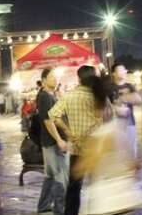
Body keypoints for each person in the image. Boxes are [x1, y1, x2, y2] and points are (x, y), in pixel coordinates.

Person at [47, 65, 106, 215]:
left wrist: (67, 131)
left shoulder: (69, 96)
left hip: (77, 149)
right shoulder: (98, 96)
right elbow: (108, 119)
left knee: (74, 188)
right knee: (97, 186)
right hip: (95, 149)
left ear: (79, 78)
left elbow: (53, 115)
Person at [37, 68, 69, 215]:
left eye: (56, 77)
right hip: (53, 143)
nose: (55, 79)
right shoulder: (44, 97)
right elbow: (48, 121)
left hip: (50, 143)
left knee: (50, 176)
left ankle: (43, 206)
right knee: (60, 178)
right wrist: (59, 140)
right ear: (43, 81)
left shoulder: (51, 95)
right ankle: (60, 210)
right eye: (52, 77)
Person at [109, 63, 141, 160]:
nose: (123, 72)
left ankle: (131, 171)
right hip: (115, 124)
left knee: (131, 150)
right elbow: (105, 106)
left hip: (130, 122)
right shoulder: (109, 88)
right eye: (120, 70)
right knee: (117, 151)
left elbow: (139, 100)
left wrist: (122, 99)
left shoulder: (130, 86)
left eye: (124, 70)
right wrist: (115, 107)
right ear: (114, 73)